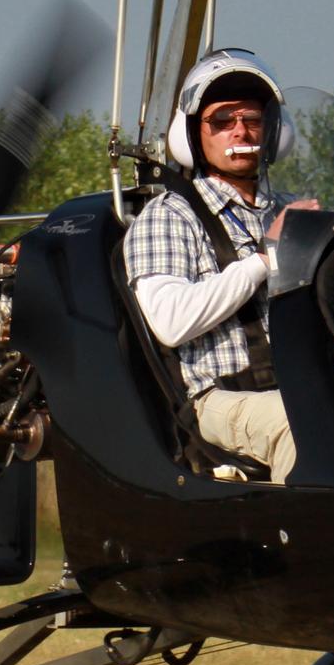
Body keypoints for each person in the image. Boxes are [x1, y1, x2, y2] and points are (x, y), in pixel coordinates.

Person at [123, 49, 315, 482]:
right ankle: (311, 544)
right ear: (194, 133)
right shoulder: (169, 216)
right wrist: (264, 260)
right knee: (300, 424)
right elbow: (170, 321)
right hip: (218, 398)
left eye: (252, 119)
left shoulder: (290, 209)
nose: (240, 131)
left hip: (303, 382)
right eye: (222, 121)